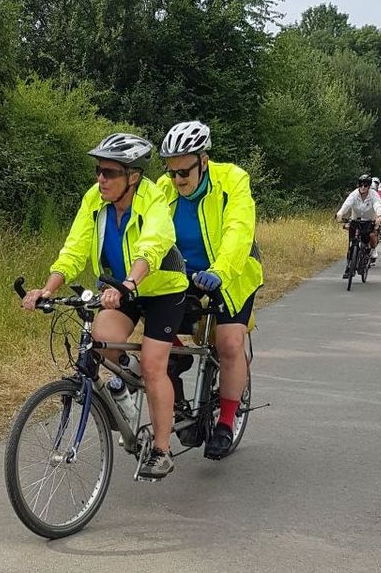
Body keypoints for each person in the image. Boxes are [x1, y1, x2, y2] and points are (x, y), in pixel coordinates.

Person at [22, 133, 188, 479]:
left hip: (162, 290)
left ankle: (161, 450)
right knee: (101, 341)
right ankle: (122, 389)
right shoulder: (94, 201)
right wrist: (48, 288)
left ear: (133, 177)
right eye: (98, 171)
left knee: (155, 365)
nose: (101, 179)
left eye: (110, 173)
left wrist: (130, 283)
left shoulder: (153, 199)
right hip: (119, 289)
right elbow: (74, 248)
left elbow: (153, 244)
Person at [156, 121, 263, 460]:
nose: (177, 180)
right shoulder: (164, 188)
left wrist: (219, 271)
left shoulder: (233, 180)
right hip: (182, 274)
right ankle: (181, 399)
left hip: (231, 272)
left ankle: (226, 423)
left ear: (203, 160)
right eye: (171, 172)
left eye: (184, 172)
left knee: (229, 343)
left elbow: (238, 231)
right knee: (159, 343)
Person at [336, 174, 381, 276]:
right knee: (351, 244)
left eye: (365, 185)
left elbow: (377, 205)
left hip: (369, 220)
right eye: (360, 185)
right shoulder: (354, 194)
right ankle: (349, 267)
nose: (363, 187)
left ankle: (368, 254)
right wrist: (340, 213)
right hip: (355, 220)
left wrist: (379, 215)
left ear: (369, 186)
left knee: (369, 238)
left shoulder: (373, 195)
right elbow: (347, 204)